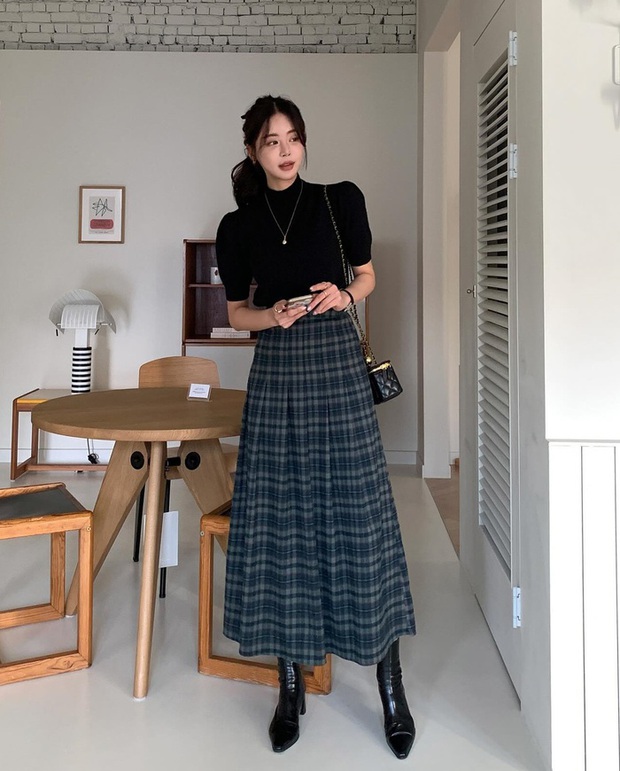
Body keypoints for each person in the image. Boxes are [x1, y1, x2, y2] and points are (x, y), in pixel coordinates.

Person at [215, 94, 416, 760]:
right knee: (281, 522)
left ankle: (390, 685)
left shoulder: (339, 200)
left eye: (294, 138)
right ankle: (288, 684)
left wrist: (344, 293)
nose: (286, 151)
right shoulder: (238, 226)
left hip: (335, 364)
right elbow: (235, 314)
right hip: (277, 373)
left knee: (362, 517)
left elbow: (369, 276)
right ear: (253, 151)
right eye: (272, 141)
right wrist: (270, 315)